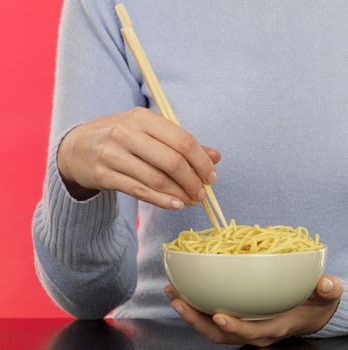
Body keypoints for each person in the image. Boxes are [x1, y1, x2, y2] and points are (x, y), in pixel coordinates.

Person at [32, 0, 348, 346]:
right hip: (164, 335)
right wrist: (74, 173)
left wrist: (337, 307)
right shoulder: (112, 6)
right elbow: (88, 296)